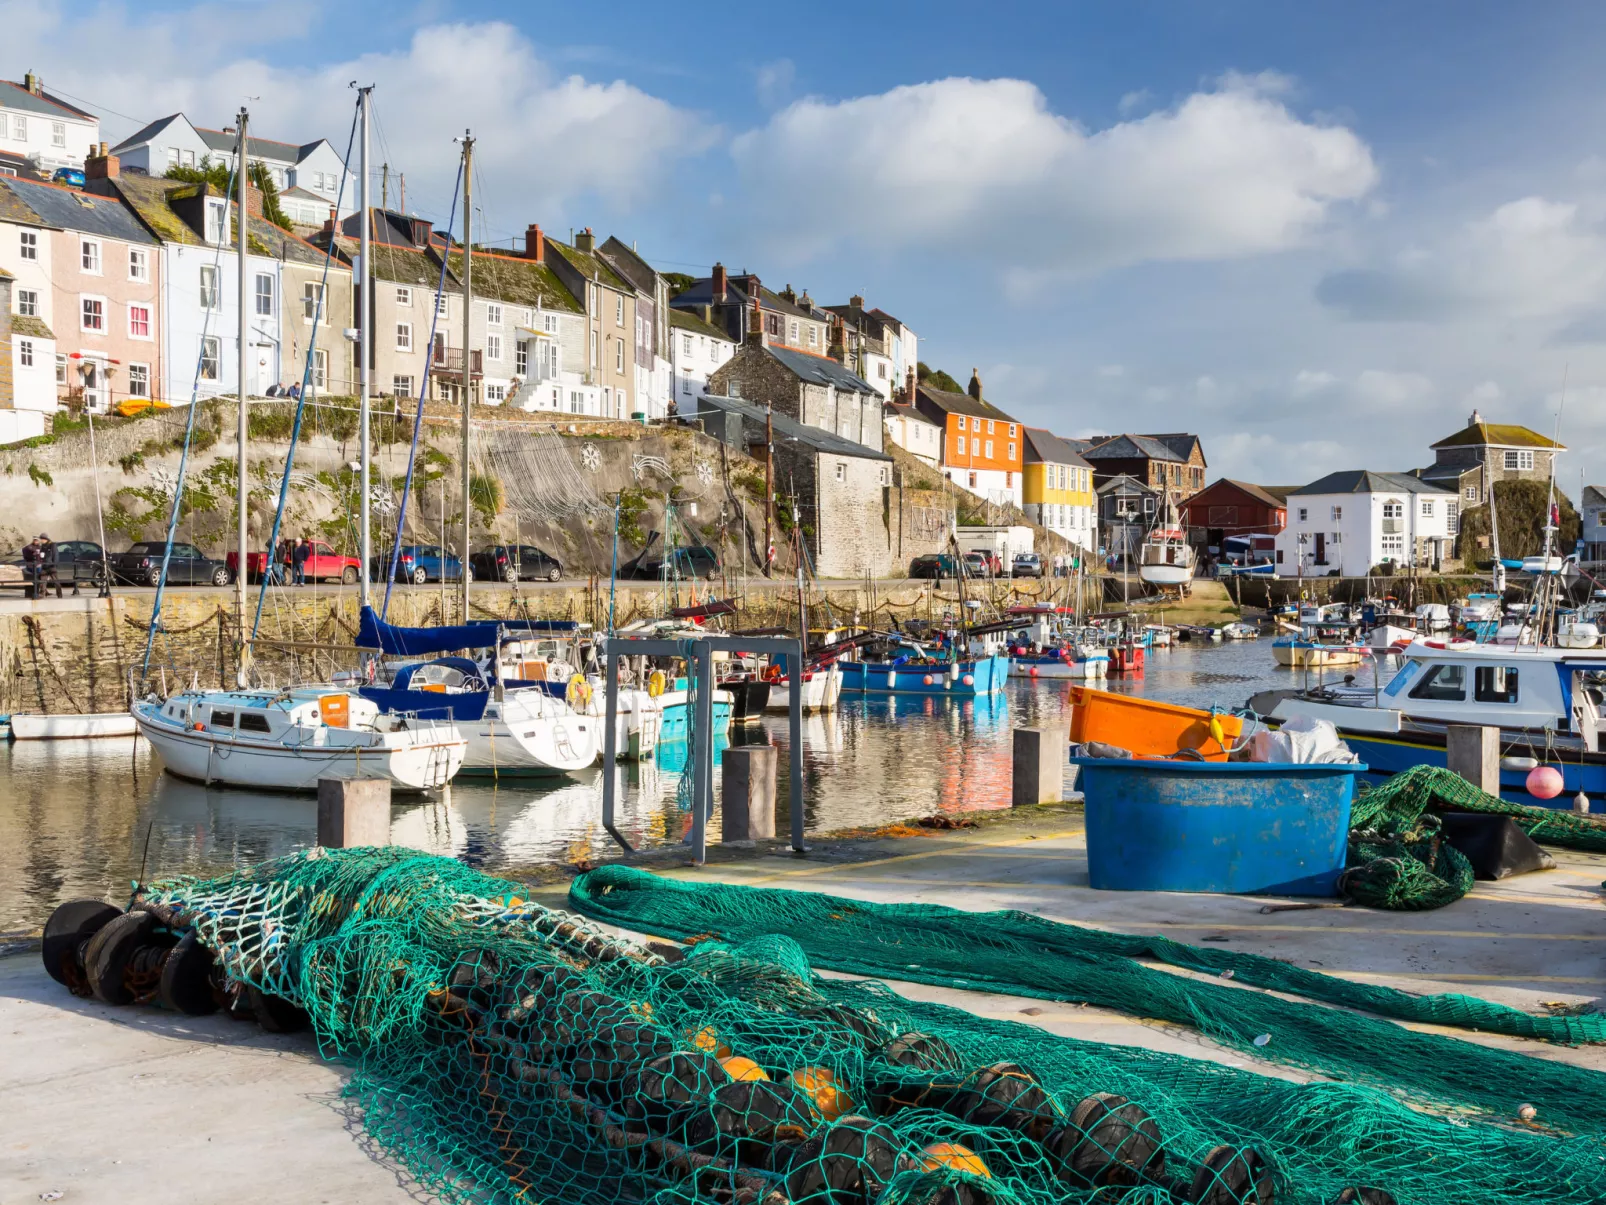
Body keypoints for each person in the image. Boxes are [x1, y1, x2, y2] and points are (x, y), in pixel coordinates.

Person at [36, 533, 63, 599]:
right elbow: (41, 556)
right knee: (43, 581)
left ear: (45, 539)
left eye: (41, 539)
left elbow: (56, 555)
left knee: (56, 581)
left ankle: (59, 594)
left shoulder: (52, 545)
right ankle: (42, 594)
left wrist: (54, 565)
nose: (41, 540)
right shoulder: (42, 546)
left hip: (51, 566)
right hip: (44, 566)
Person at [20, 535, 44, 599]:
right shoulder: (29, 547)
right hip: (31, 565)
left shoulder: (40, 547)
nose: (36, 541)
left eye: (37, 540)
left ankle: (40, 592)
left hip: (38, 565)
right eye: (35, 540)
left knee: (39, 578)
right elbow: (24, 550)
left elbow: (43, 555)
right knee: (33, 579)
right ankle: (34, 592)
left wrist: (41, 559)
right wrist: (29, 557)